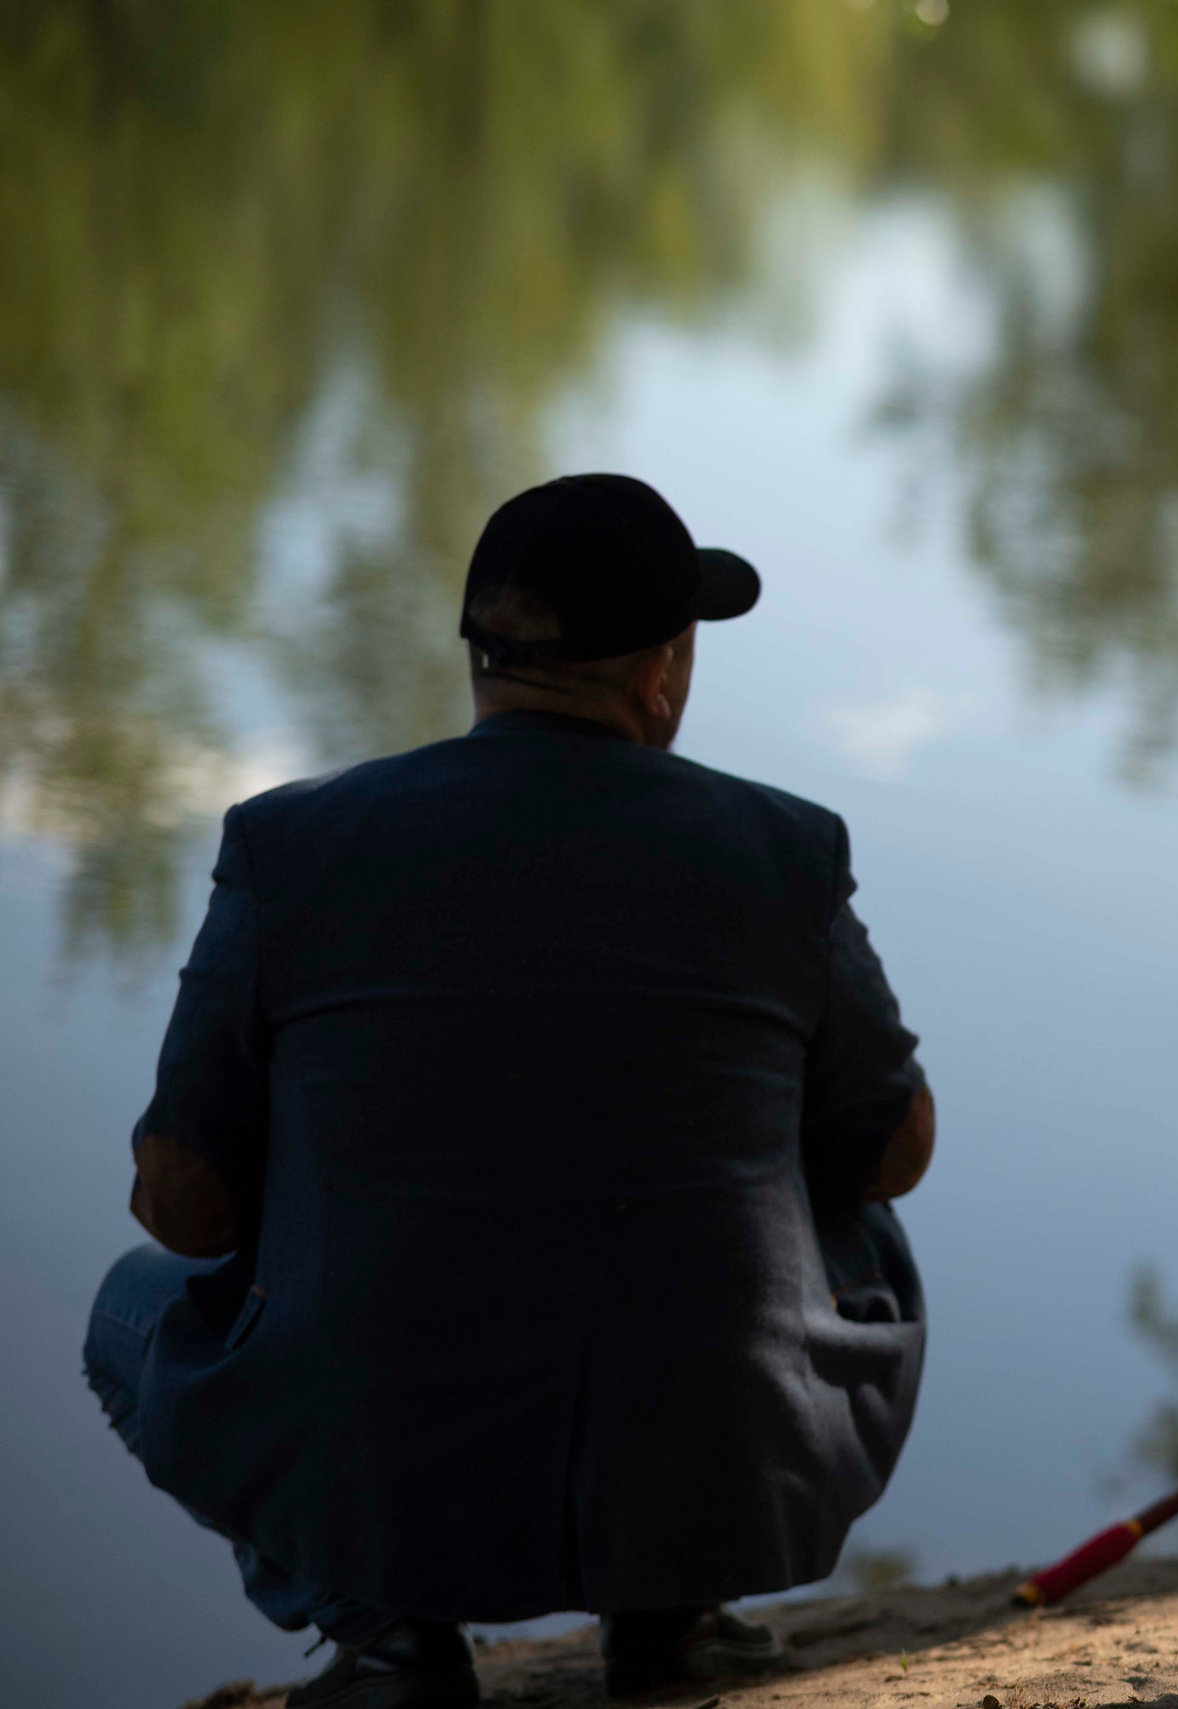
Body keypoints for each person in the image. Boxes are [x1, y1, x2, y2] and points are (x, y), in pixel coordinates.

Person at [84, 475, 935, 1707]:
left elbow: (185, 1207)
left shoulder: (292, 845)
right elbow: (895, 1148)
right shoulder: (782, 849)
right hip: (714, 1444)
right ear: (661, 674)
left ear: (486, 658)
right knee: (860, 1227)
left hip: (387, 1452)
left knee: (132, 1304)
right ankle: (676, 1616)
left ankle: (382, 1635)